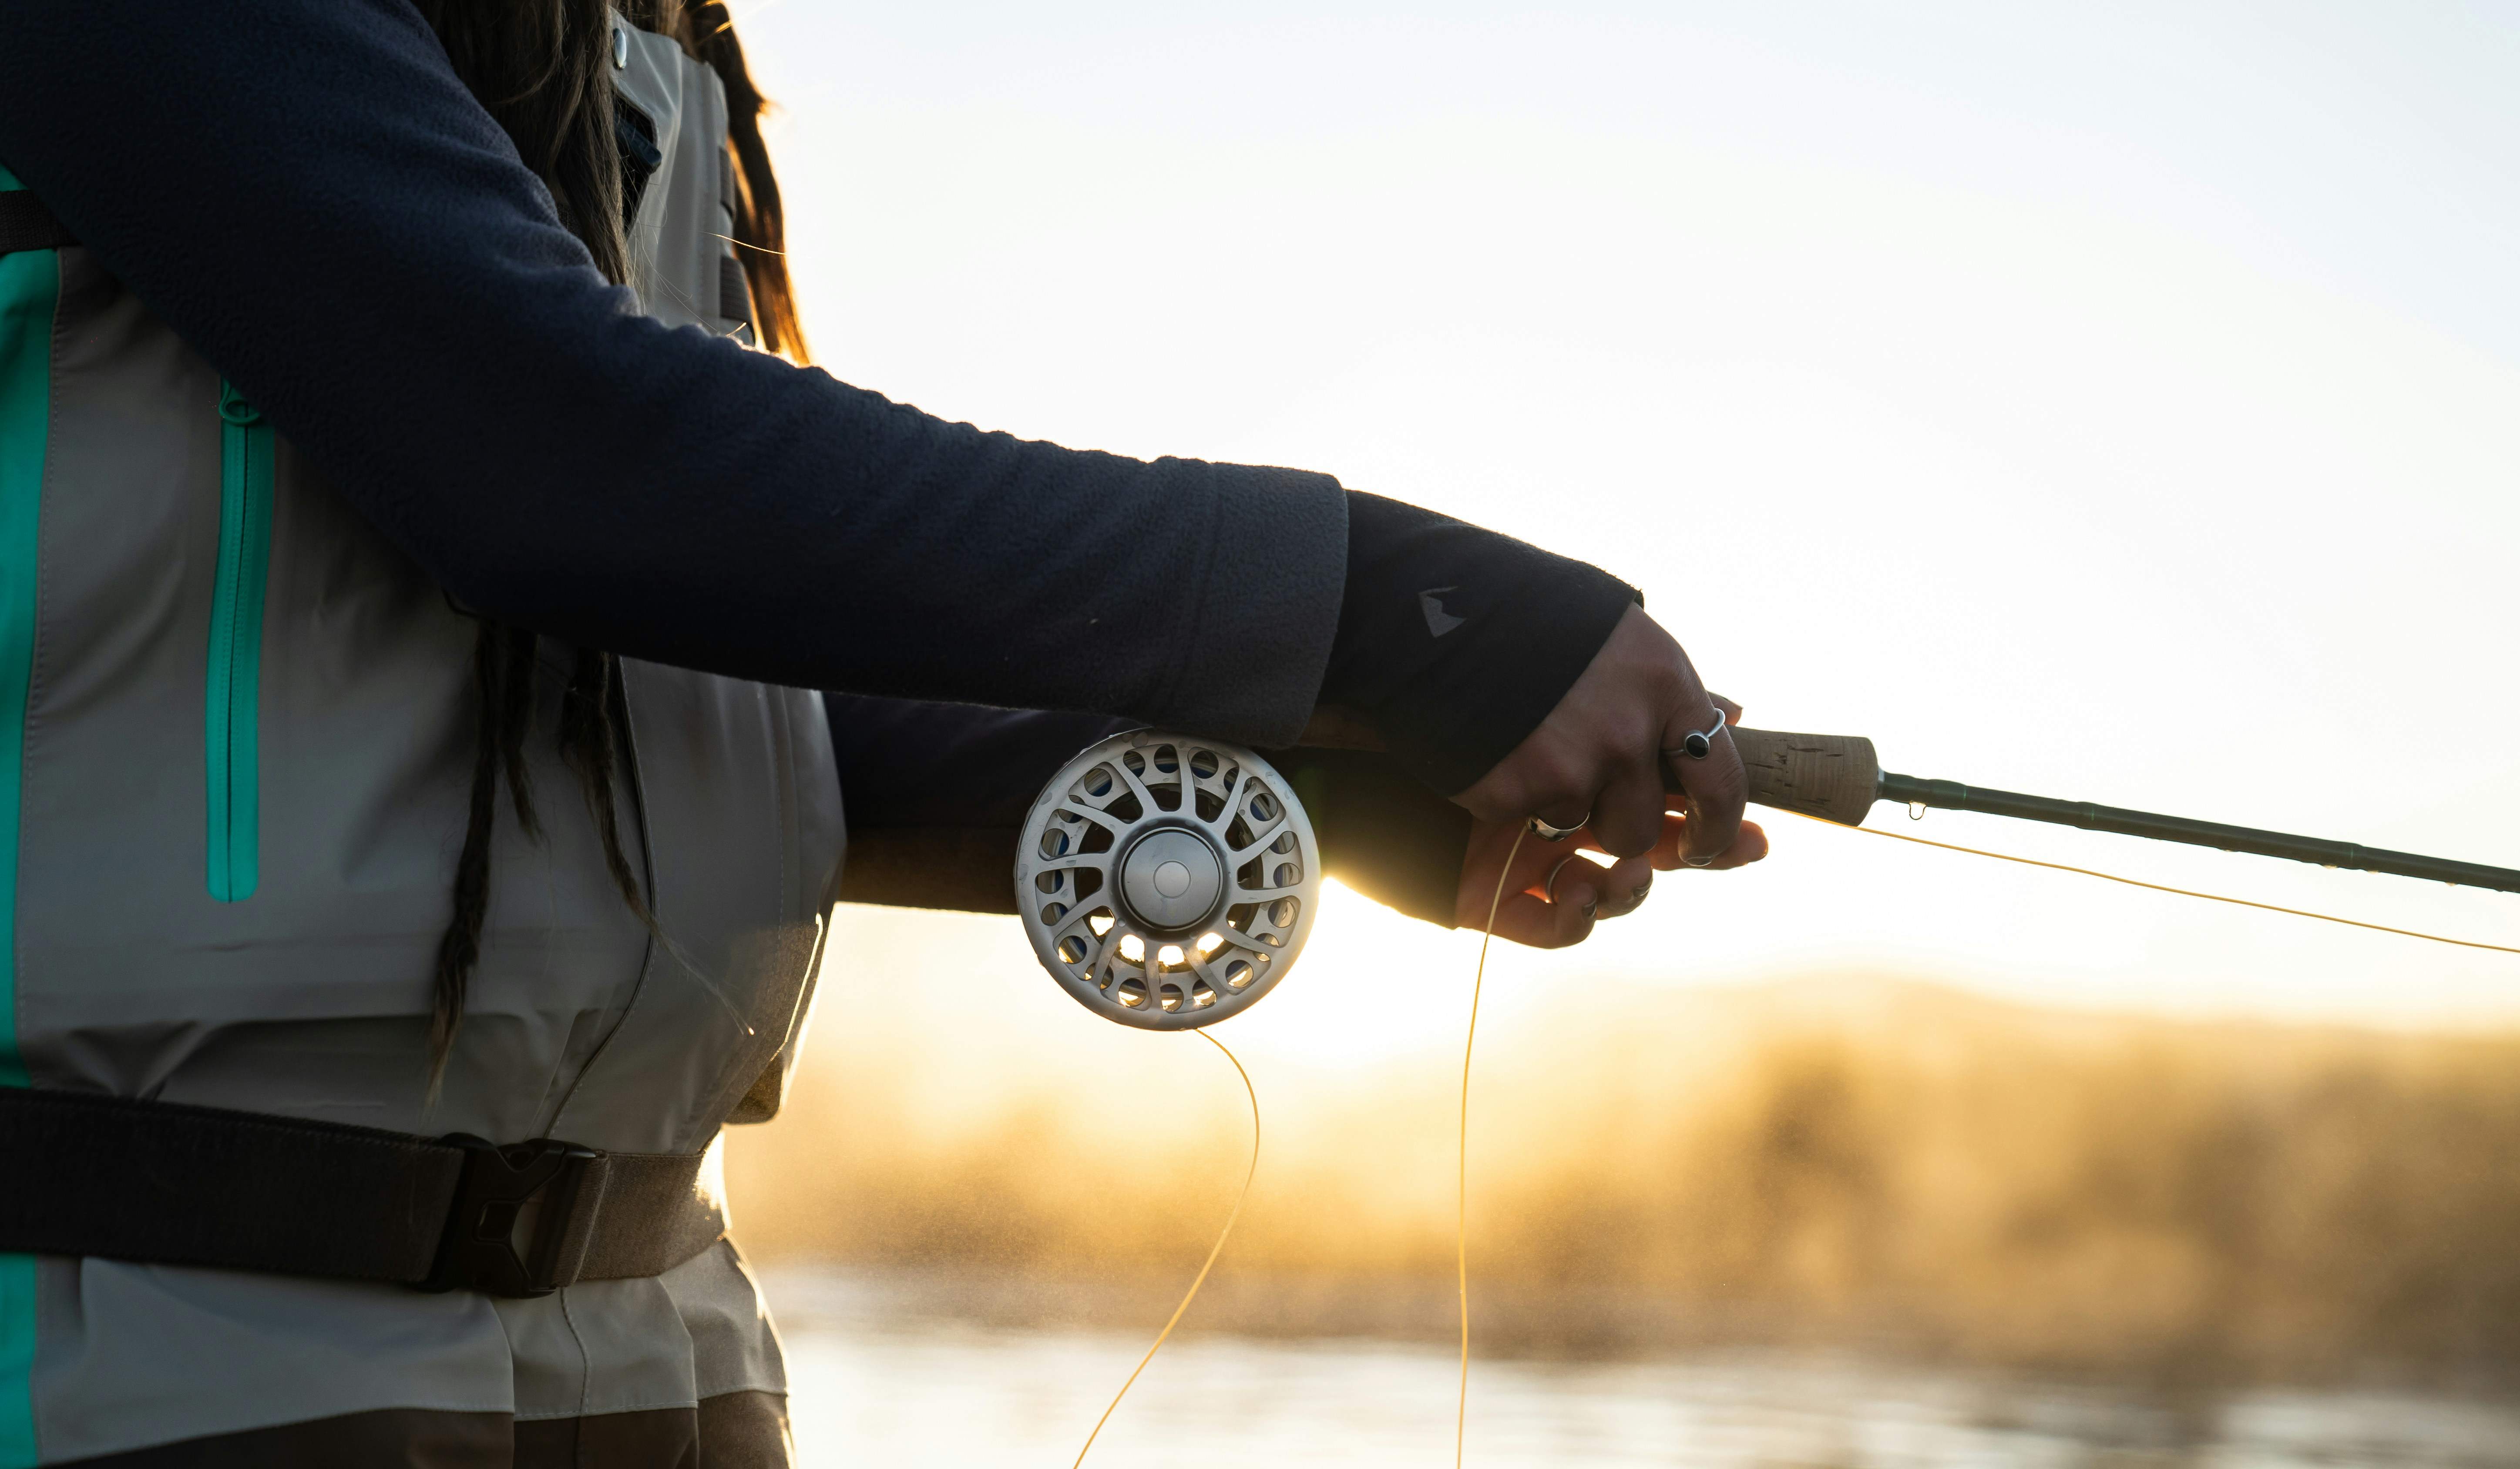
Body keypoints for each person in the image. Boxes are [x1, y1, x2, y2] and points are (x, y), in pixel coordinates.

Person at [0, 1, 1766, 1463]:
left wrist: (1296, 788)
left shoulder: (655, 33)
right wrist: (1383, 612)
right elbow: (549, 458)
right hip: (146, 1345)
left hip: (658, 1346)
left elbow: (701, 689)